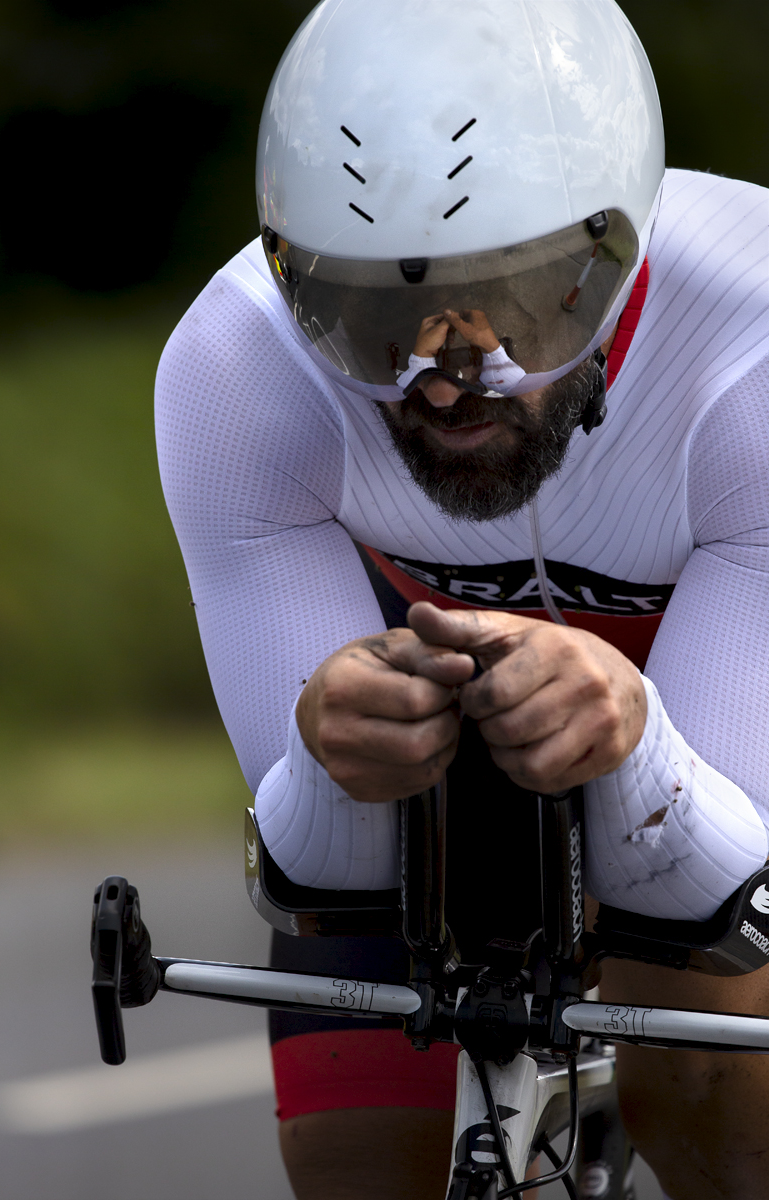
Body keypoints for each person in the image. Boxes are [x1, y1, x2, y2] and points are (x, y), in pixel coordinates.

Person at [154, 1, 769, 1197]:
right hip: (451, 755)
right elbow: (321, 869)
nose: (445, 379)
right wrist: (327, 749)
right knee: (347, 1156)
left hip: (709, 764)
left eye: (523, 303)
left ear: (618, 249)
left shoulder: (746, 351)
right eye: (370, 316)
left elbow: (709, 878)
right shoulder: (239, 368)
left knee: (699, 1078)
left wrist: (635, 741)